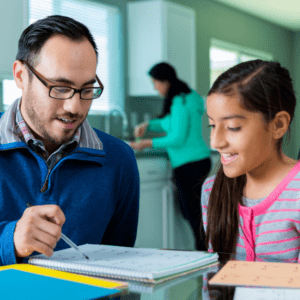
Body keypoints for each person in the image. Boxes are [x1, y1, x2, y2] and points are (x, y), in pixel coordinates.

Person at [0, 15, 139, 266]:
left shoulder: (120, 161)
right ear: (20, 75)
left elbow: (121, 268)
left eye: (87, 90)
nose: (74, 107)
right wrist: (10, 241)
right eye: (60, 88)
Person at [201, 59, 299, 263]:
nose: (216, 141)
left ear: (278, 125)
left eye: (233, 127)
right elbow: (213, 278)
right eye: (212, 126)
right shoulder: (212, 191)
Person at [130, 62, 211, 251]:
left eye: (156, 83)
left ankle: (204, 254)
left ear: (165, 81)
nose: (154, 87)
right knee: (192, 212)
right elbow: (169, 123)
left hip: (190, 163)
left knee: (193, 213)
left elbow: (177, 137)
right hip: (195, 161)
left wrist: (146, 143)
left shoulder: (180, 101)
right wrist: (148, 124)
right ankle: (205, 252)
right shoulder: (185, 97)